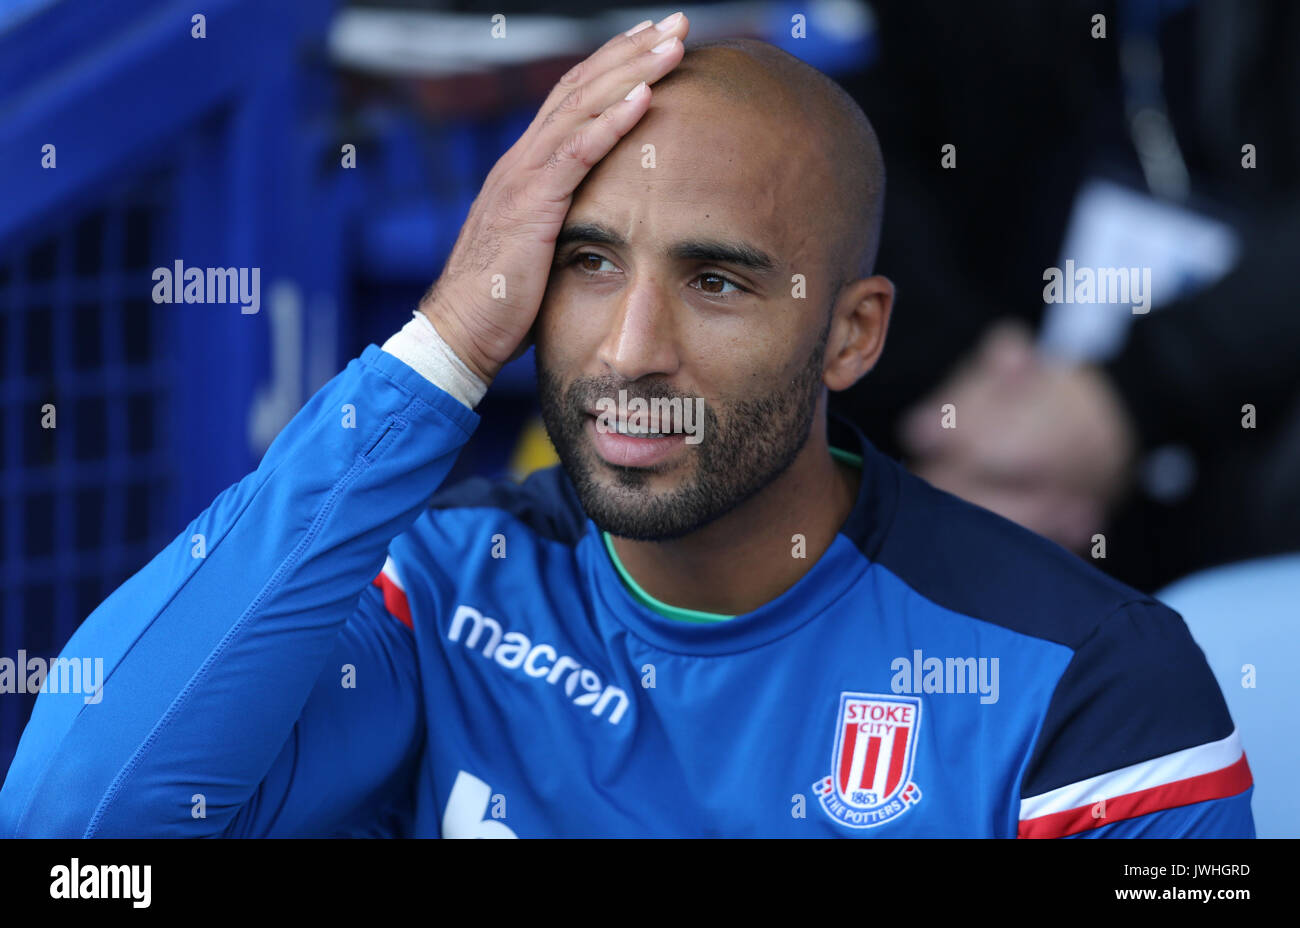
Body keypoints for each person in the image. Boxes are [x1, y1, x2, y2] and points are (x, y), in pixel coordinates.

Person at [0, 15, 1253, 837]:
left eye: (718, 281)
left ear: (854, 334)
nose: (630, 347)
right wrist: (437, 348)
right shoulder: (438, 592)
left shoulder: (1093, 682)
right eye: (586, 263)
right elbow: (78, 831)